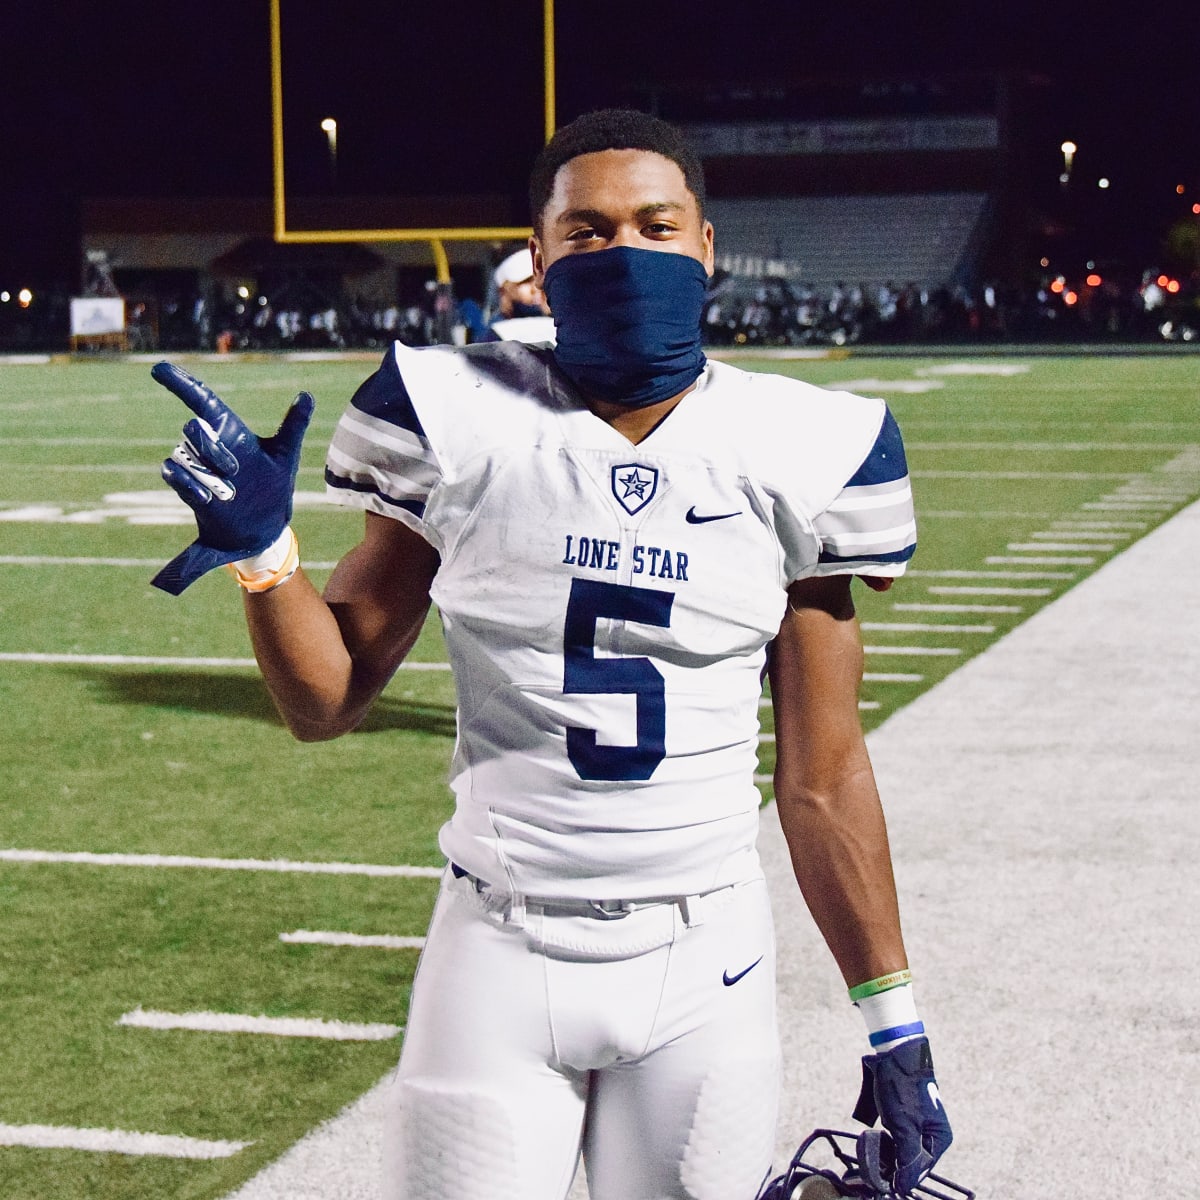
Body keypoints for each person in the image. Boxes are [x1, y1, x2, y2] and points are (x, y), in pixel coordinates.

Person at [149, 107, 953, 1200]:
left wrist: (892, 1019)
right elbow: (325, 698)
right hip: (498, 942)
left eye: (655, 226)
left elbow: (822, 774)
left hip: (705, 955)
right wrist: (266, 559)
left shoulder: (807, 448)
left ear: (705, 246)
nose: (623, 252)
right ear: (538, 257)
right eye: (588, 232)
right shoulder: (449, 414)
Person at [477, 245, 556, 343]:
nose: (537, 288)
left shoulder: (565, 327)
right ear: (504, 291)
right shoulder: (496, 334)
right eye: (526, 281)